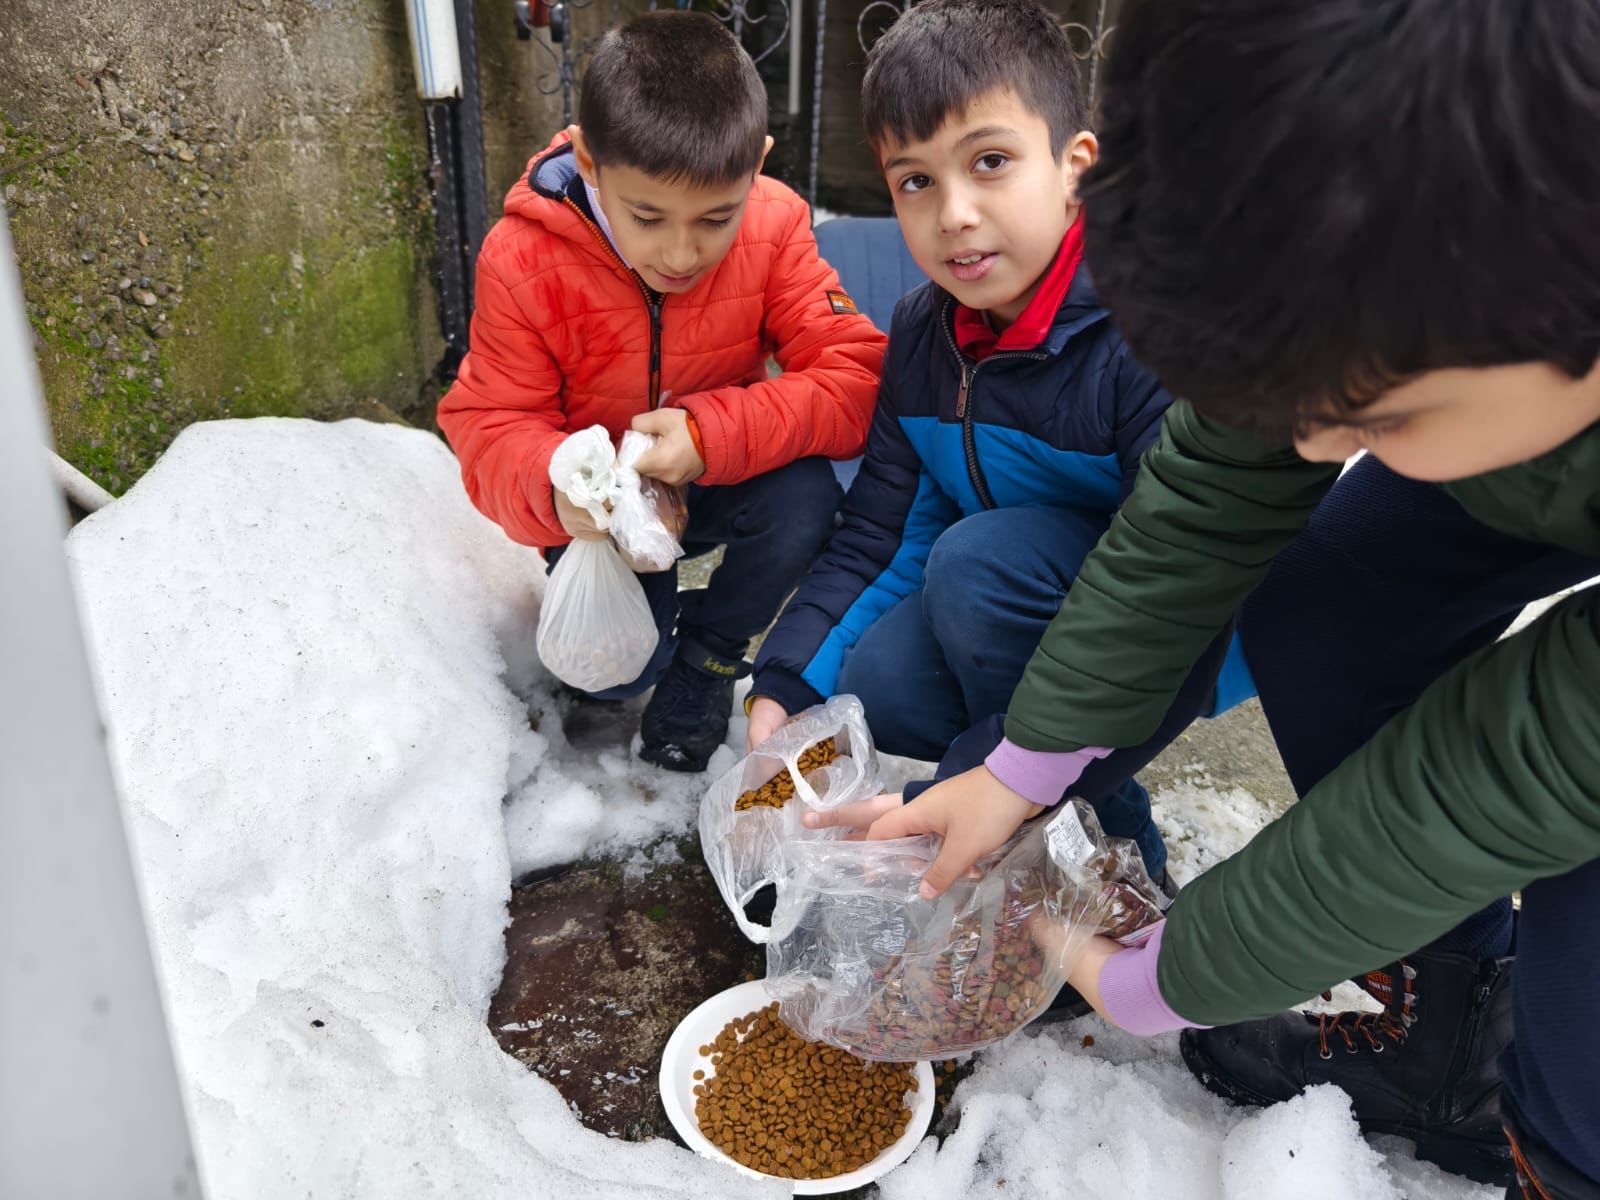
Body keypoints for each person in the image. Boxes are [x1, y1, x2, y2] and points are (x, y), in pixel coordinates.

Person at [848, 1, 1600, 1193]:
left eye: (1370, 410)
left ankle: (1562, 1150)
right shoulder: (1343, 209)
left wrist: (1182, 971)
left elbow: (1530, 767)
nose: (1309, 440)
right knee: (1328, 604)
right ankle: (1437, 1023)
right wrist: (1020, 766)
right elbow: (1207, 499)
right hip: (1519, 418)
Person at [745, 0, 1246, 883]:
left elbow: (1182, 595)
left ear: (1075, 169)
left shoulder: (1151, 335)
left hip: (1181, 630)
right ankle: (1041, 815)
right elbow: (884, 529)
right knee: (881, 675)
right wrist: (788, 683)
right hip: (1026, 612)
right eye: (916, 181)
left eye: (990, 162)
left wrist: (988, 776)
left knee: (980, 562)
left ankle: (1100, 849)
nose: (955, 214)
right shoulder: (923, 334)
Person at [438, 11, 884, 772]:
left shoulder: (774, 227)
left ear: (759, 165)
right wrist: (561, 495)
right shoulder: (523, 256)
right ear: (587, 160)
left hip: (715, 477)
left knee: (804, 496)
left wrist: (709, 437)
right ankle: (651, 651)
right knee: (616, 679)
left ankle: (708, 657)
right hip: (601, 515)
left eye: (716, 217)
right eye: (648, 217)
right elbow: (490, 423)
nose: (682, 253)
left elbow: (856, 376)